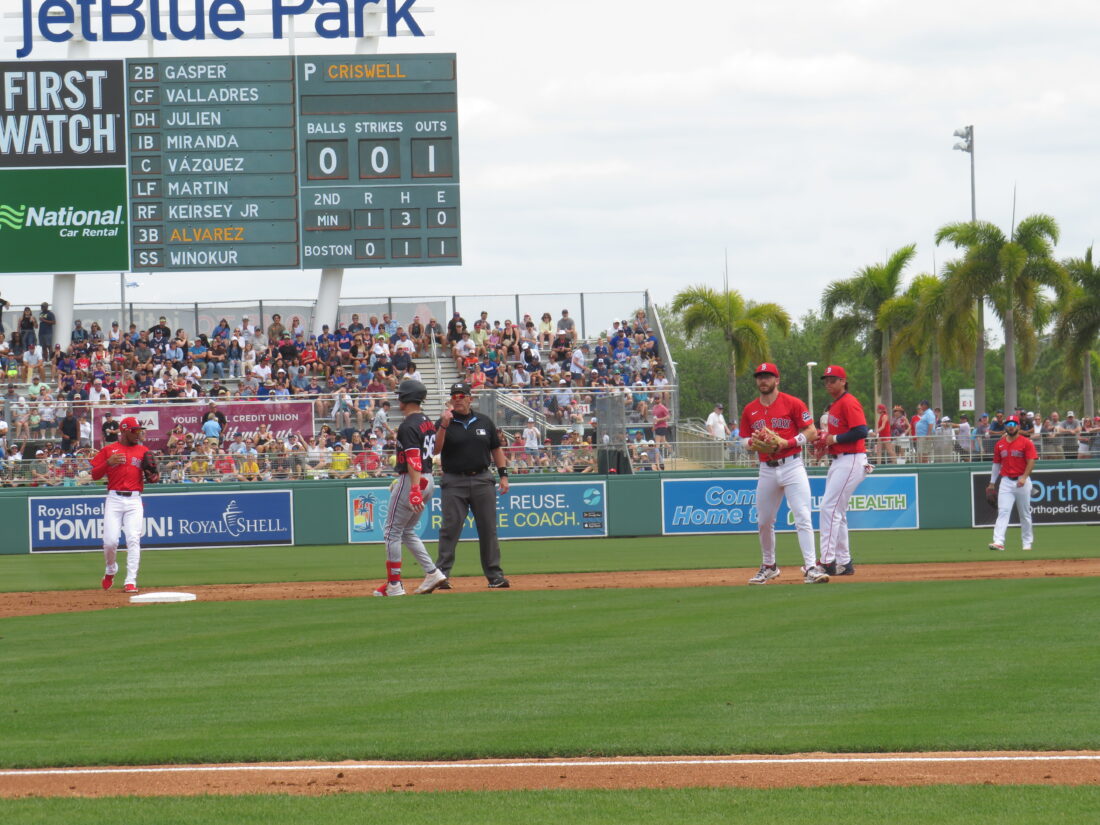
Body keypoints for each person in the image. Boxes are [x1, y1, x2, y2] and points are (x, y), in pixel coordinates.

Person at [740, 363, 828, 585]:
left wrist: (787, 442)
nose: (763, 380)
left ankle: (810, 568)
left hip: (792, 465)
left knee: (803, 516)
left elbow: (811, 431)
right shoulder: (750, 409)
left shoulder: (793, 403)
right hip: (766, 469)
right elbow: (743, 440)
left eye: (768, 376)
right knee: (764, 521)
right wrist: (753, 442)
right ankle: (769, 566)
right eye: (759, 376)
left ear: (777, 380)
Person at [373, 380, 449, 597]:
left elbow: (414, 459)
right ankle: (433, 572)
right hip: (428, 478)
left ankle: (394, 585)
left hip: (414, 478)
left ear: (406, 398)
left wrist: (413, 488)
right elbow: (434, 449)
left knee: (391, 532)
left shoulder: (409, 424)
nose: (398, 399)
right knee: (406, 531)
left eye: (400, 396)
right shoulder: (425, 421)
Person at [431, 381, 511, 589]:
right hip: (454, 480)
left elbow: (496, 450)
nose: (457, 399)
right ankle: (441, 576)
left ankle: (494, 576)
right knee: (450, 528)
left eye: (461, 396)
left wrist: (504, 475)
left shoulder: (484, 422)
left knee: (488, 528)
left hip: (482, 478)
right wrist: (444, 424)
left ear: (469, 398)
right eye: (454, 396)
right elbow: (435, 449)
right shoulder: (444, 422)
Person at [89, 416, 159, 593]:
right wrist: (107, 463)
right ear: (124, 430)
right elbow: (94, 475)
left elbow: (153, 475)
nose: (138, 433)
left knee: (133, 539)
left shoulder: (143, 450)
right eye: (135, 430)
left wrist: (154, 477)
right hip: (114, 498)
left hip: (134, 499)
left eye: (139, 430)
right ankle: (111, 569)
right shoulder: (109, 450)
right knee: (110, 542)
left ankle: (130, 581)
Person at [816, 365, 868, 576]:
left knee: (829, 508)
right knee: (838, 512)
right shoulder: (835, 405)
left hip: (852, 459)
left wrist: (834, 439)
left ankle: (827, 561)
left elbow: (861, 431)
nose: (828, 383)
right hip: (839, 460)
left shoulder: (849, 402)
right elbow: (836, 435)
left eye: (833, 380)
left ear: (843, 381)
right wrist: (826, 445)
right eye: (826, 380)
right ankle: (844, 562)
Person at [987, 415, 1037, 551]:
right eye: (1008, 424)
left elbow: (1032, 460)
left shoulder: (1026, 442)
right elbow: (996, 464)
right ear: (1005, 426)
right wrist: (992, 483)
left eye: (1014, 424)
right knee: (1003, 511)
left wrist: (1024, 477)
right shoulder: (1000, 444)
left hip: (1022, 481)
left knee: (1024, 513)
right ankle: (998, 541)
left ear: (1018, 426)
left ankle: (1027, 543)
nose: (1011, 426)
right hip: (1006, 481)